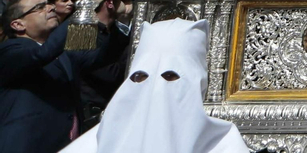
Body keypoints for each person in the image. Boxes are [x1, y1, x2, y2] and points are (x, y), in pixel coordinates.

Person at [60, 18, 248, 153]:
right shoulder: (93, 143)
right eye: (140, 77)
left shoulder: (225, 144)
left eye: (170, 76)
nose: (155, 88)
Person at [0, 0, 129, 153]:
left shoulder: (60, 49)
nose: (51, 7)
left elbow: (95, 57)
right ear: (18, 25)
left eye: (49, 3)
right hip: (26, 145)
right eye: (40, 7)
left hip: (64, 143)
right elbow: (42, 55)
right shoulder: (10, 50)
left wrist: (114, 18)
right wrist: (87, 4)